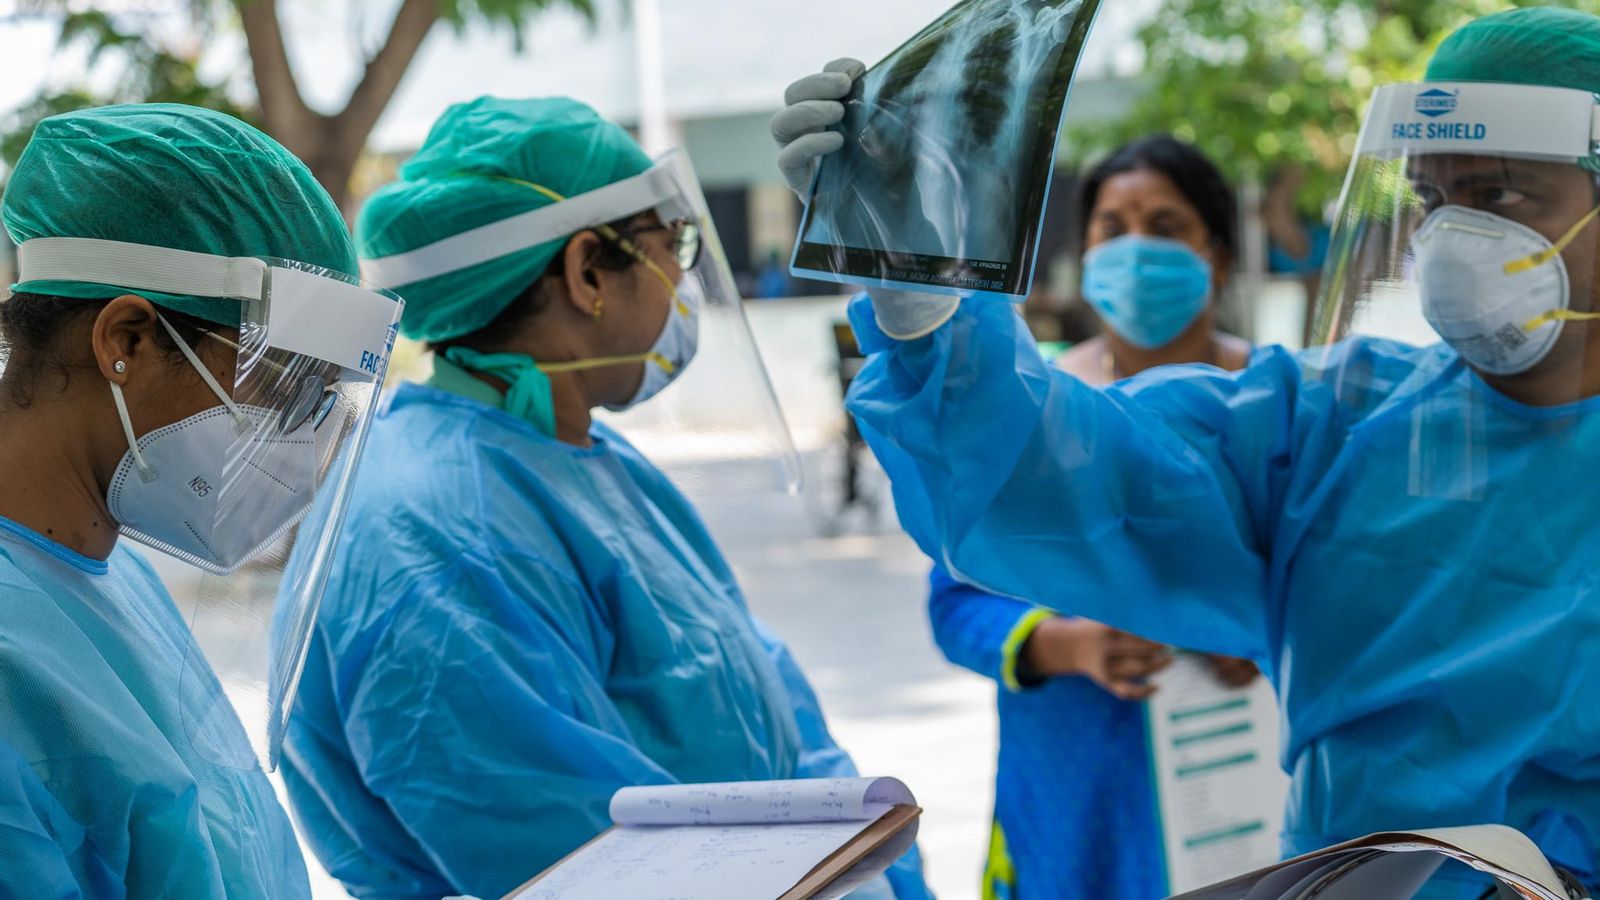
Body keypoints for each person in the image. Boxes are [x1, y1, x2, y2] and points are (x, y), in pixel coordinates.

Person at [774, 9, 1600, 898]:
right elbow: (1060, 473)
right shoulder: (1326, 426)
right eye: (1434, 202)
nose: (1451, 242)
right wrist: (924, 296)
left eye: (1500, 197)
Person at [279, 96, 931, 900]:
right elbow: (579, 860)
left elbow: (769, 703)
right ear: (588, 270)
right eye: (673, 243)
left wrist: (877, 868)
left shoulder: (585, 458)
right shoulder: (434, 527)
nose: (684, 279)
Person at [0, 104, 403, 898]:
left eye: (323, 403)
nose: (303, 446)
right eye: (287, 389)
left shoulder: (110, 576)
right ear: (127, 340)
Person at [927, 134, 1258, 900]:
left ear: (1218, 256)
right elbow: (955, 602)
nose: (1136, 249)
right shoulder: (1033, 407)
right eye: (1113, 228)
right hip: (1074, 789)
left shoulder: (1282, 403)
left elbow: (1347, 585)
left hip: (1245, 780)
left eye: (1166, 227)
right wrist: (1070, 644)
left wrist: (1265, 636)